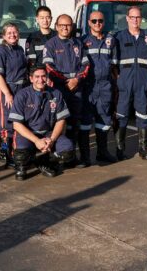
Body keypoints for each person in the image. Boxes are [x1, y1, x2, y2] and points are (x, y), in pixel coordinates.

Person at [10, 67, 76, 180]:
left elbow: (61, 120)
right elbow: (16, 125)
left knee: (68, 151)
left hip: (49, 134)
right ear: (31, 79)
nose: (40, 80)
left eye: (43, 76)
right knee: (21, 155)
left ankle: (43, 162)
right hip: (28, 134)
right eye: (37, 77)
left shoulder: (56, 94)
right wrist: (36, 141)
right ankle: (23, 165)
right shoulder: (22, 95)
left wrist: (52, 140)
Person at [43, 14, 91, 167]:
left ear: (72, 26)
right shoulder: (50, 44)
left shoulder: (78, 43)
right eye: (62, 25)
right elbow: (49, 68)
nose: (65, 28)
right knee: (57, 122)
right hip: (58, 90)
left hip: (76, 88)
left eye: (68, 25)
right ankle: (53, 156)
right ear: (56, 26)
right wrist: (65, 82)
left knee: (74, 123)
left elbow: (86, 65)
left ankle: (70, 155)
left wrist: (77, 80)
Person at [114, 6, 147, 160]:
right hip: (124, 83)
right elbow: (113, 62)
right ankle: (120, 150)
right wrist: (118, 79)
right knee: (121, 115)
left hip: (142, 82)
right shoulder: (118, 37)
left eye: (138, 17)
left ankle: (143, 149)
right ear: (127, 18)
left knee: (144, 115)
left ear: (141, 19)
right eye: (132, 17)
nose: (135, 20)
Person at [82, 10, 118, 163]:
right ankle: (84, 157)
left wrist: (115, 87)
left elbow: (115, 67)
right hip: (88, 86)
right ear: (89, 23)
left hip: (105, 86)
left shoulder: (111, 40)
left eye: (100, 21)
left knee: (104, 120)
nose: (98, 24)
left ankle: (102, 153)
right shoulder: (82, 41)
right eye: (94, 21)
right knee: (84, 122)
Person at [0, 22, 28, 168]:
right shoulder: (0, 51)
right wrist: (7, 93)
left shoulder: (19, 49)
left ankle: (15, 152)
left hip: (20, 89)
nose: (12, 35)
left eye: (15, 32)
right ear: (4, 36)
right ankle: (4, 153)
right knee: (6, 122)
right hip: (6, 89)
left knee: (18, 120)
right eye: (9, 33)